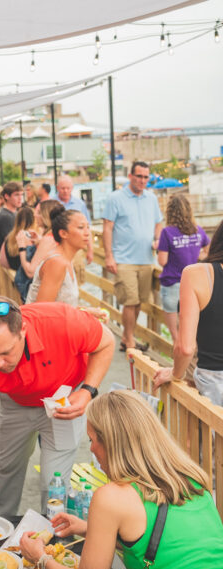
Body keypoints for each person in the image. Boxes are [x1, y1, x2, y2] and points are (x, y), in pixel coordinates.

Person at [19, 389, 223, 569]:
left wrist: (40, 557)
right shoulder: (192, 478)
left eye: (92, 440)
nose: (91, 450)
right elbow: (163, 547)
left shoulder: (112, 497)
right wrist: (88, 529)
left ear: (112, 444)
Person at [0, 296, 114, 549]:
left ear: (23, 331)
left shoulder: (61, 322)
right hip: (14, 401)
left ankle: (48, 539)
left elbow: (106, 342)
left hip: (64, 397)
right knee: (8, 466)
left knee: (54, 479)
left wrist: (87, 391)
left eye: (6, 352)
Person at [153, 219, 223, 406]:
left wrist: (175, 373)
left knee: (206, 435)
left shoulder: (197, 274)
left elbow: (186, 348)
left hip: (215, 383)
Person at [103, 161, 163, 352]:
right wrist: (109, 256)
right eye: (139, 176)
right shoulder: (115, 198)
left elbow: (158, 223)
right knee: (130, 301)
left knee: (139, 303)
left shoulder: (151, 198)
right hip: (124, 259)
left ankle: (127, 337)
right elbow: (108, 227)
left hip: (146, 259)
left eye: (146, 177)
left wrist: (157, 240)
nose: (142, 180)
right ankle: (129, 341)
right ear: (130, 176)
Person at [156, 194, 209, 343]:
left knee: (176, 336)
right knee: (192, 331)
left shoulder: (167, 232)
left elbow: (162, 260)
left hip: (172, 283)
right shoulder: (197, 230)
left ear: (170, 212)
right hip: (192, 284)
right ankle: (191, 363)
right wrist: (196, 255)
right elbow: (209, 252)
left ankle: (178, 364)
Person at [26, 206, 89, 306]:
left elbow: (62, 307)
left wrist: (86, 311)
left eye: (88, 227)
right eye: (81, 228)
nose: (87, 233)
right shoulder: (56, 263)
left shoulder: (66, 259)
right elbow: (43, 311)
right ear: (63, 233)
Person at [54, 175, 94, 280]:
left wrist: (90, 250)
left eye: (68, 188)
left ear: (72, 188)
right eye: (63, 188)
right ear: (57, 188)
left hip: (76, 250)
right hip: (57, 248)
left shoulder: (79, 204)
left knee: (76, 277)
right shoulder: (52, 203)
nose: (66, 191)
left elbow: (87, 227)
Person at [0, 181, 24, 250]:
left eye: (21, 195)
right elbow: (11, 243)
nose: (20, 198)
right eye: (16, 195)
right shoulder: (6, 216)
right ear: (6, 196)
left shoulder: (14, 213)